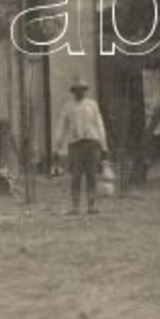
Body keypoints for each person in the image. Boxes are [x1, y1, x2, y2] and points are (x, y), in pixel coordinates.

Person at [53, 76, 108, 216]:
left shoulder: (92, 105)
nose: (80, 92)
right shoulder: (68, 107)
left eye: (82, 89)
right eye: (77, 90)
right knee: (76, 176)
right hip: (76, 145)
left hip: (92, 143)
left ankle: (91, 205)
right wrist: (57, 146)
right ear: (73, 91)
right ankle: (75, 206)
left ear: (85, 91)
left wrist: (104, 146)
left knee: (92, 175)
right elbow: (61, 126)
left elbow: (99, 125)